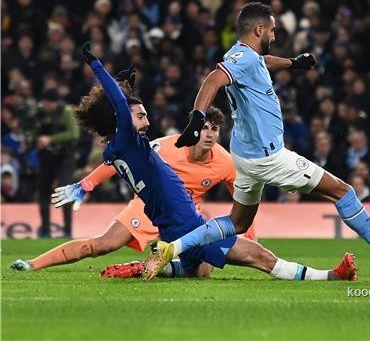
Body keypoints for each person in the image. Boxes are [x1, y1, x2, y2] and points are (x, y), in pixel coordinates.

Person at [12, 43, 357, 283]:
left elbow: (122, 107)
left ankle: (133, 266)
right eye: (141, 116)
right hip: (188, 228)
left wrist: (127, 85)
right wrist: (96, 65)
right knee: (260, 258)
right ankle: (331, 275)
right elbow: (119, 104)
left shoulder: (117, 150)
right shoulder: (133, 142)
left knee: (200, 271)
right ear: (121, 121)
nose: (147, 121)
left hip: (173, 226)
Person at [144, 2, 370, 280]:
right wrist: (196, 118)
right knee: (342, 191)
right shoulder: (241, 59)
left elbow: (262, 61)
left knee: (238, 222)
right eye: (272, 30)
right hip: (268, 157)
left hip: (245, 156)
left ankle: (172, 247)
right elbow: (212, 80)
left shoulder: (244, 56)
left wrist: (293, 63)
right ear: (258, 29)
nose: (274, 36)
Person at [11, 107, 255, 278]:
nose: (210, 134)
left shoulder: (225, 162)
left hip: (186, 216)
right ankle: (33, 264)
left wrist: (250, 237)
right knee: (102, 245)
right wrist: (86, 184)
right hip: (148, 206)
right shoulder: (166, 147)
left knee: (203, 270)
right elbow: (119, 160)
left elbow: (245, 202)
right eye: (204, 128)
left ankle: (144, 267)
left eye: (215, 129)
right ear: (193, 129)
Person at [32, 88, 80, 238]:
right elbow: (34, 132)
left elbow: (74, 134)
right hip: (46, 158)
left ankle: (67, 230)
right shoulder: (40, 114)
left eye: (46, 103)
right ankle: (45, 230)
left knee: (65, 191)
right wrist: (36, 141)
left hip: (65, 158)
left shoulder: (65, 112)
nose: (44, 106)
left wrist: (50, 139)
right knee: (43, 193)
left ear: (51, 102)